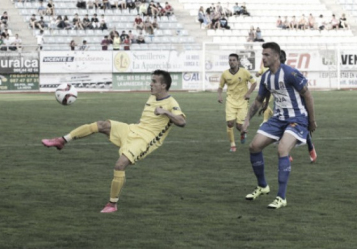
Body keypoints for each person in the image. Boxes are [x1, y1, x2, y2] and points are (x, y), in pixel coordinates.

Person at [41, 70, 186, 213]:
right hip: (133, 129)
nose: (150, 84)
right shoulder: (152, 97)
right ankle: (62, 140)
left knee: (120, 165)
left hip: (144, 140)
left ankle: (112, 204)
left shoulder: (171, 103)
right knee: (102, 125)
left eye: (154, 82)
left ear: (163, 85)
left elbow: (182, 121)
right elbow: (147, 120)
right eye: (151, 81)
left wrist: (165, 112)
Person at [241, 42, 317, 209]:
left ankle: (281, 197)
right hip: (278, 119)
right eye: (263, 55)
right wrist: (247, 120)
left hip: (297, 118)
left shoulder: (290, 73)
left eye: (267, 55)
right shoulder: (266, 77)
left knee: (282, 150)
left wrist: (311, 120)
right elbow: (258, 102)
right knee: (254, 147)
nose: (263, 58)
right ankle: (262, 186)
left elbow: (308, 96)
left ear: (276, 56)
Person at [258, 50, 317, 163]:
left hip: (296, 105)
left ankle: (311, 148)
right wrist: (266, 103)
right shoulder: (270, 74)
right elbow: (269, 88)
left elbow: (304, 90)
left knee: (305, 127)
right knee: (282, 126)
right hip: (280, 105)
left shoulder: (290, 72)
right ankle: (286, 152)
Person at [217, 53, 257, 152]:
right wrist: (219, 95)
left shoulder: (244, 72)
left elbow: (254, 83)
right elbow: (220, 87)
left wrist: (248, 93)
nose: (232, 62)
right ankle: (233, 145)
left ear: (238, 62)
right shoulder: (225, 74)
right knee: (230, 123)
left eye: (234, 60)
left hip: (243, 101)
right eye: (230, 60)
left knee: (239, 126)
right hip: (230, 101)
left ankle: (243, 133)